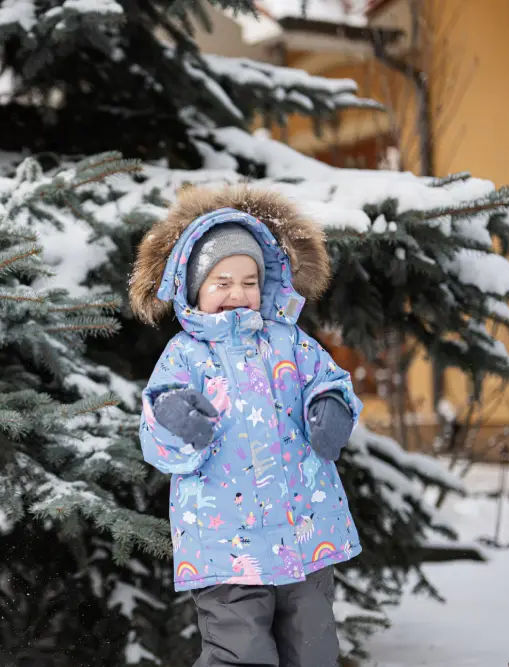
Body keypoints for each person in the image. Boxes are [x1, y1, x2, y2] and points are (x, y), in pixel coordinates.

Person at [129, 186, 363, 666]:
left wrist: (332, 408)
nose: (238, 293)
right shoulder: (185, 354)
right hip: (225, 544)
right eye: (222, 282)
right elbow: (155, 430)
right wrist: (176, 421)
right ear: (195, 288)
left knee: (313, 650)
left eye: (249, 280)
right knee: (241, 653)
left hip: (306, 533)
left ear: (267, 283)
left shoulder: (292, 343)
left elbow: (331, 383)